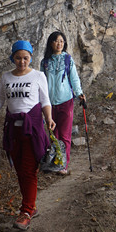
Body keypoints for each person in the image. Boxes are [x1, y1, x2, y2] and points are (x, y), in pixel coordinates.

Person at [0, 40, 55, 231]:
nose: (22, 62)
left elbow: (45, 101)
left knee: (29, 170)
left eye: (25, 58)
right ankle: (30, 207)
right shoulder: (6, 77)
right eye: (18, 58)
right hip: (12, 131)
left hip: (32, 129)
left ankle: (25, 211)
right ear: (12, 58)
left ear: (31, 57)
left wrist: (48, 119)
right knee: (19, 171)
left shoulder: (38, 76)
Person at [40, 31, 85, 174]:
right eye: (56, 41)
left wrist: (79, 94)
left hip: (66, 101)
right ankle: (55, 162)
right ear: (51, 43)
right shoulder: (45, 62)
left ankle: (63, 166)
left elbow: (74, 78)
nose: (59, 44)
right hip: (49, 104)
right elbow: (41, 83)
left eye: (61, 41)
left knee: (64, 135)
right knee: (53, 134)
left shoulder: (67, 59)